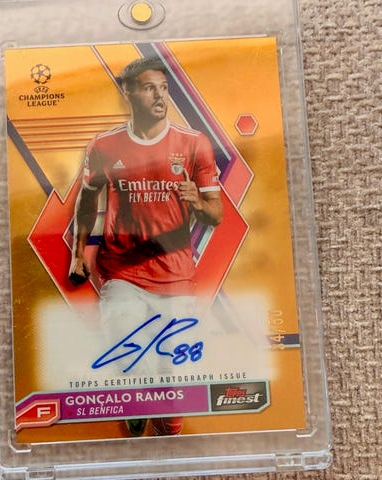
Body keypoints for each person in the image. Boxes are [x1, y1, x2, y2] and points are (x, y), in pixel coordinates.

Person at [69, 57, 223, 436]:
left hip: (175, 275)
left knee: (173, 380)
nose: (159, 96)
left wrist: (197, 203)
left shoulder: (193, 144)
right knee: (127, 349)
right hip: (122, 271)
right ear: (129, 92)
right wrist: (78, 252)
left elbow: (215, 214)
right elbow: (88, 198)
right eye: (149, 88)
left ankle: (167, 435)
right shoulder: (105, 146)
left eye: (164, 88)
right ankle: (135, 397)